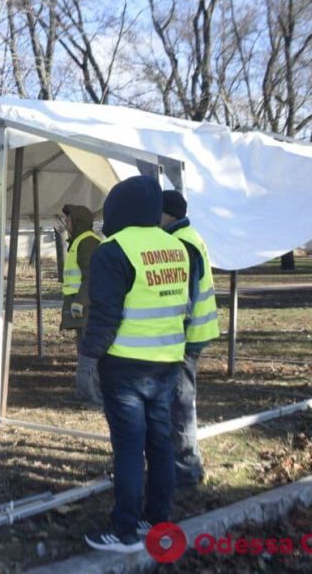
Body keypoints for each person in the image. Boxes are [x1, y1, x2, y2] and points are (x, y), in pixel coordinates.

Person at [79, 176, 192, 553]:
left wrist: (88, 361)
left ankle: (124, 530)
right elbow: (184, 308)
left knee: (129, 447)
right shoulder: (178, 248)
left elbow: (104, 316)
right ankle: (156, 520)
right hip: (166, 364)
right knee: (160, 443)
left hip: (126, 367)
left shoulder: (113, 251)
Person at [161, 190, 219, 488]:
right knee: (180, 399)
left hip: (187, 337)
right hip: (197, 332)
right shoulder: (190, 235)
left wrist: (174, 333)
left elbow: (187, 298)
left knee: (180, 401)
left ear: (167, 214)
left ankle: (187, 468)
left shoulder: (181, 243)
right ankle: (181, 460)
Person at [60, 204, 102, 406]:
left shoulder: (87, 243)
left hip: (87, 309)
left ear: (76, 221)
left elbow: (92, 276)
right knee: (84, 350)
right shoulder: (80, 242)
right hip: (82, 308)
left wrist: (79, 302)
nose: (65, 223)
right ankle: (84, 392)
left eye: (68, 219)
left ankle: (93, 395)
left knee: (89, 352)